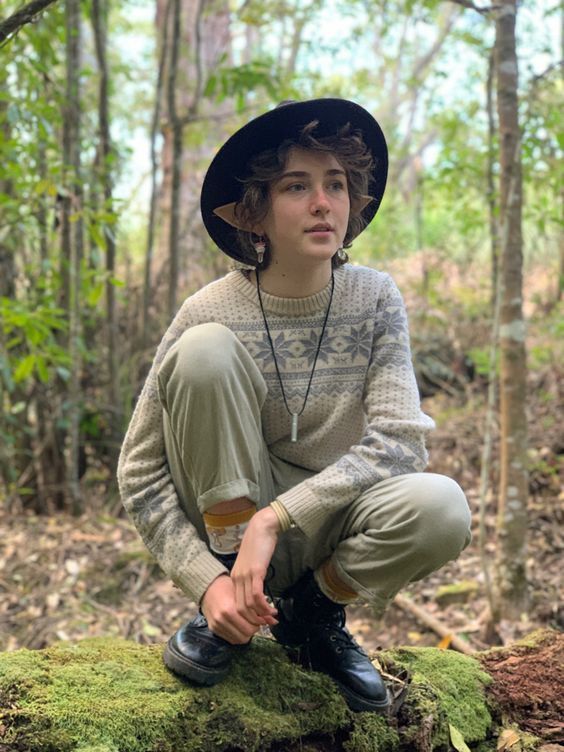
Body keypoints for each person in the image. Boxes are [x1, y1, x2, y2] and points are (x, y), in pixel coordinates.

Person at [117, 98, 471, 713]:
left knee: (443, 505)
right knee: (205, 354)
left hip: (325, 522)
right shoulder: (207, 310)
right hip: (229, 523)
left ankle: (310, 618)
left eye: (336, 184)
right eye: (296, 186)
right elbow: (140, 472)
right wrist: (207, 583)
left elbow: (401, 442)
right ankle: (233, 607)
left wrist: (275, 518)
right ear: (256, 213)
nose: (322, 202)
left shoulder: (375, 298)